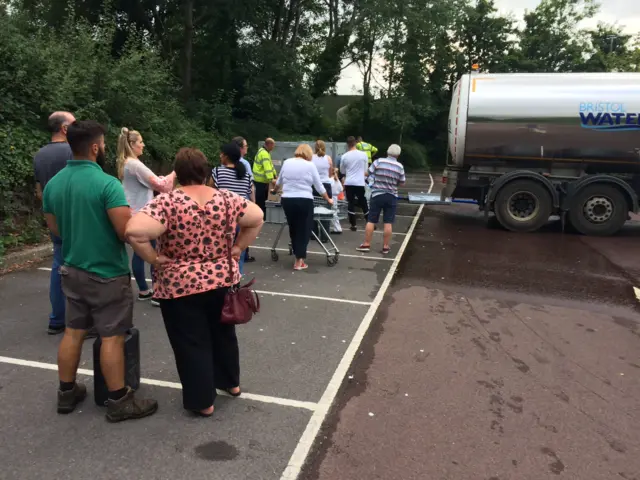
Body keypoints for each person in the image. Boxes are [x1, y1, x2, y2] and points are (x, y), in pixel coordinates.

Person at [125, 147, 264, 417]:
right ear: (205, 171)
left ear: (178, 173)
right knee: (223, 334)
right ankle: (230, 383)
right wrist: (238, 248)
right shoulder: (225, 198)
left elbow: (134, 231)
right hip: (222, 279)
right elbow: (256, 217)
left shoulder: (169, 202)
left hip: (180, 285)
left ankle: (203, 400)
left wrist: (153, 258)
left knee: (191, 341)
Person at [42, 120, 158, 421]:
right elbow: (124, 231)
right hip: (107, 272)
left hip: (72, 268)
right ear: (95, 147)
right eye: (103, 144)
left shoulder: (54, 184)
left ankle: (66, 392)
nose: (105, 148)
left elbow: (56, 229)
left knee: (74, 331)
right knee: (112, 336)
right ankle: (119, 400)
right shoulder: (107, 184)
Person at [117, 127, 176, 304]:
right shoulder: (135, 164)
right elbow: (162, 185)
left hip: (133, 212)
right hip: (143, 214)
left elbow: (150, 182)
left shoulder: (125, 163)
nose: (143, 145)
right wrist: (175, 172)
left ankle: (144, 289)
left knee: (139, 252)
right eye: (140, 142)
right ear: (132, 144)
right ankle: (157, 292)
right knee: (151, 251)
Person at [34, 111, 75, 335]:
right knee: (84, 268)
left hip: (53, 220)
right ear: (65, 129)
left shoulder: (39, 155)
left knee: (58, 266)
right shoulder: (72, 151)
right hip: (76, 219)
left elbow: (40, 192)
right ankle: (82, 319)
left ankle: (56, 319)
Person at [271, 144, 333, 271]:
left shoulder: (287, 162)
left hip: (287, 199)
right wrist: (328, 199)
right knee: (304, 228)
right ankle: (299, 260)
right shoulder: (310, 165)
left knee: (293, 227)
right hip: (304, 200)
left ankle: (297, 255)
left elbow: (279, 181)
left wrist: (274, 191)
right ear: (308, 153)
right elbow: (319, 185)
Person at [211, 142, 254, 275]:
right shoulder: (246, 175)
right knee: (238, 251)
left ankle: (221, 278)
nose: (220, 156)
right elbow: (250, 193)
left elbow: (210, 191)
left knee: (220, 250)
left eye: (221, 154)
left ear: (226, 156)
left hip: (222, 218)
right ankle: (236, 278)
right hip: (241, 217)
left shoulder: (217, 171)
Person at [356, 144, 406, 255]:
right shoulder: (400, 166)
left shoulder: (378, 161)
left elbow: (368, 173)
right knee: (388, 222)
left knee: (371, 220)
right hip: (391, 196)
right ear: (398, 154)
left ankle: (366, 244)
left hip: (377, 194)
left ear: (387, 152)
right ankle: (386, 247)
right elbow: (402, 183)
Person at [232, 136, 256, 263]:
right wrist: (254, 203)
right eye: (245, 146)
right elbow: (250, 186)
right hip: (242, 204)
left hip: (228, 206)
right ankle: (243, 257)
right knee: (243, 233)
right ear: (240, 148)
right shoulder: (245, 164)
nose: (247, 148)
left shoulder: (225, 164)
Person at [340, 136, 369, 232]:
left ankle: (353, 224)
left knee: (351, 202)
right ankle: (369, 222)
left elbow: (342, 170)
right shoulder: (363, 155)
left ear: (347, 144)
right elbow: (365, 170)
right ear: (356, 143)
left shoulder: (344, 156)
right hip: (360, 182)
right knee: (363, 201)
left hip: (349, 182)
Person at [252, 137, 277, 219]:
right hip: (260, 182)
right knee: (261, 201)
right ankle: (260, 218)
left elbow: (270, 166)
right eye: (273, 145)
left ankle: (262, 217)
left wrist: (275, 175)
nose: (273, 147)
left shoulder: (264, 152)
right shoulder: (264, 154)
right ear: (269, 144)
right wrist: (271, 179)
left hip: (260, 181)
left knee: (262, 200)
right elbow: (267, 168)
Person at [330, 168, 343, 235]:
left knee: (332, 213)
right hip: (335, 197)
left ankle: (337, 228)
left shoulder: (329, 180)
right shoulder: (337, 180)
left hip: (330, 197)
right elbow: (341, 189)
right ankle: (337, 228)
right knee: (334, 212)